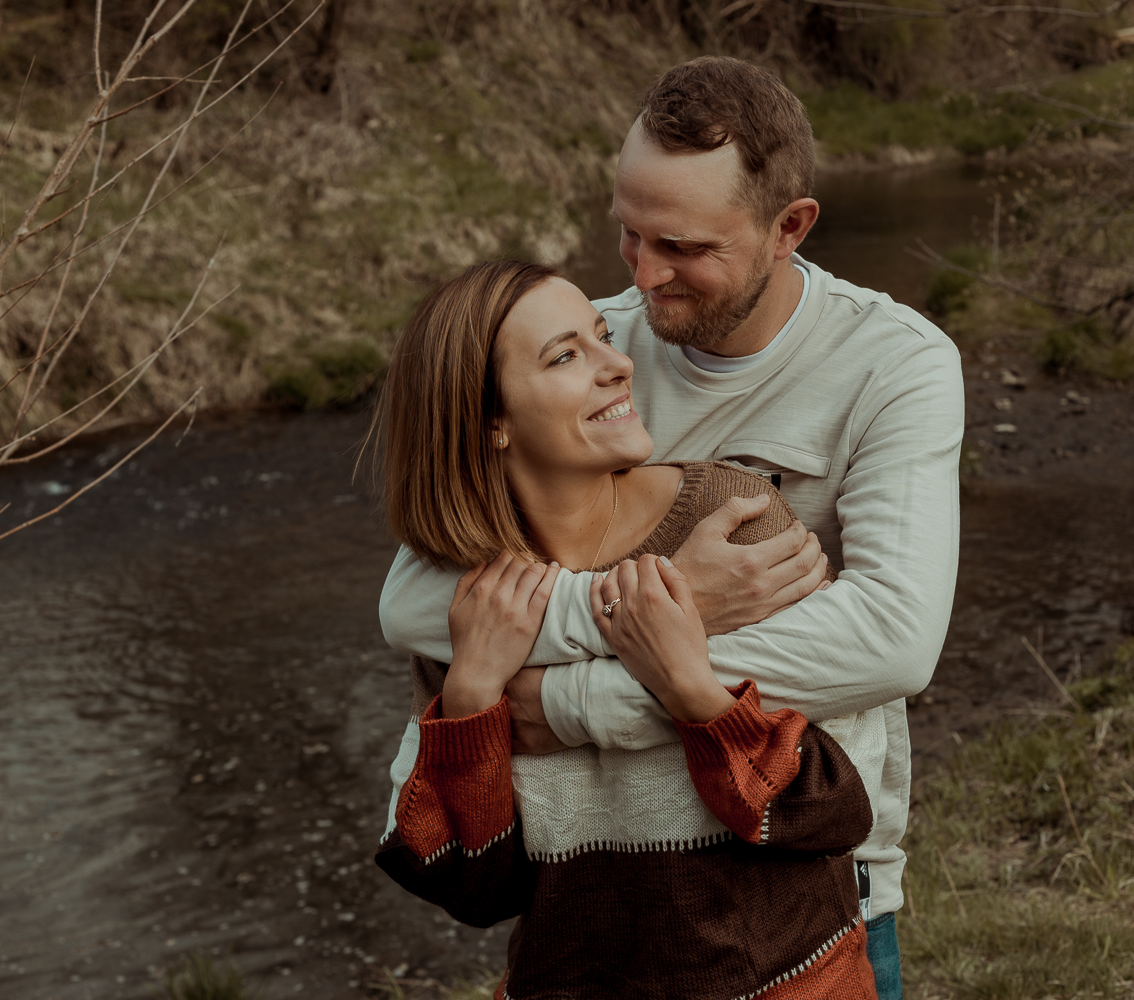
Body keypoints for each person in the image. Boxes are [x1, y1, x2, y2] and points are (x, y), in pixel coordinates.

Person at [379, 57, 964, 998]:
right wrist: (668, 605)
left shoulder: (894, 365)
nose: (646, 279)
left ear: (790, 228)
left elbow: (893, 642)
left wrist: (568, 707)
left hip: (804, 888)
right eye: (628, 233)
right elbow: (415, 600)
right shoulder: (587, 345)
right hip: (600, 908)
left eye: (683, 246)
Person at [373, 258, 882, 999]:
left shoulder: (731, 520)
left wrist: (693, 694)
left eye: (603, 337)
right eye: (565, 355)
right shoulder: (471, 604)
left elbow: (838, 811)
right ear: (491, 422)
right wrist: (472, 698)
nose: (619, 364)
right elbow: (474, 889)